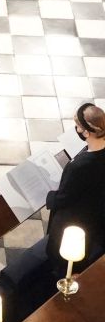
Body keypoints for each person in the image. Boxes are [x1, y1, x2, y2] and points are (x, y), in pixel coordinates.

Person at [45, 103, 105, 272]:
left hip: (74, 218)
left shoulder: (79, 167)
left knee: (61, 258)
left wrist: (49, 196)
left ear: (87, 132)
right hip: (94, 214)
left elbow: (64, 197)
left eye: (78, 126)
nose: (76, 130)